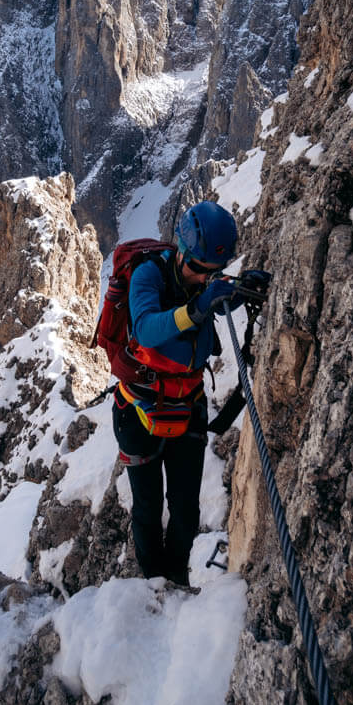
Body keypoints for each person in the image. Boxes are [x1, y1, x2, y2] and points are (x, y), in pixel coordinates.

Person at [111, 200, 245, 587]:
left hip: (189, 405)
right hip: (138, 409)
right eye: (198, 269)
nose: (204, 278)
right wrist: (198, 307)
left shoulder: (201, 280)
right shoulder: (147, 275)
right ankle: (154, 586)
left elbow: (216, 298)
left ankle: (177, 582)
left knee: (185, 509)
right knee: (148, 509)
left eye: (213, 272)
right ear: (182, 252)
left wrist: (238, 291)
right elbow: (148, 329)